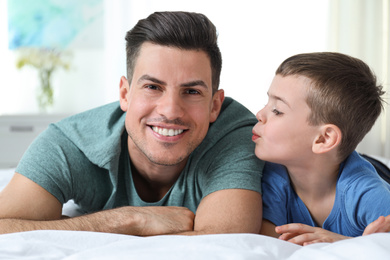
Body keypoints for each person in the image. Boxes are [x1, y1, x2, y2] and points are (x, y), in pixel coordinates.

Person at [0, 11, 263, 235]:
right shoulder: (69, 144)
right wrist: (129, 220)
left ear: (215, 105)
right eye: (152, 86)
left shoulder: (238, 134)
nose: (170, 111)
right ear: (125, 94)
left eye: (192, 91)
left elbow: (222, 241)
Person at [252, 52, 390, 245]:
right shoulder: (273, 173)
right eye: (267, 103)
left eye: (277, 110)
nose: (259, 114)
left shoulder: (368, 195)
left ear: (324, 138)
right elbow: (268, 243)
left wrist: (347, 243)